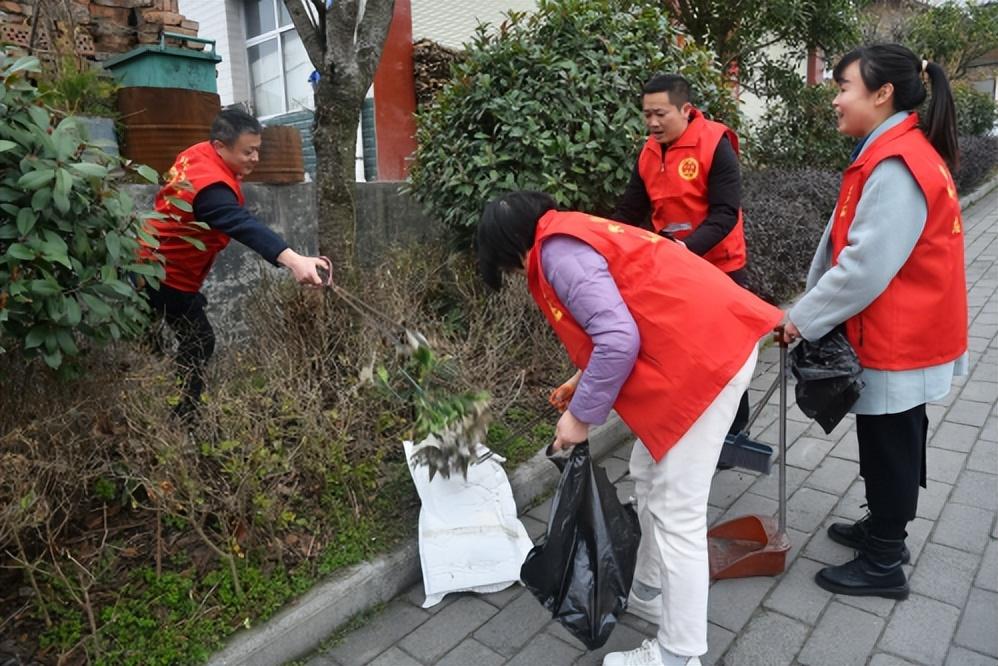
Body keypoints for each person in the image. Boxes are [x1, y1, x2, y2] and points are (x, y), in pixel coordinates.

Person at [477, 191, 782, 666]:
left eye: (509, 266)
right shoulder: (570, 230)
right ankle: (647, 589)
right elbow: (628, 308)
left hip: (704, 364)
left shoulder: (556, 254)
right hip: (708, 345)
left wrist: (580, 420)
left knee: (676, 512)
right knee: (646, 469)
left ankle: (678, 654)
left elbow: (618, 338)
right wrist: (582, 381)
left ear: (512, 247)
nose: (517, 275)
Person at [782, 44, 967, 600]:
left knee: (891, 441)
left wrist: (802, 320)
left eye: (843, 87)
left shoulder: (897, 163)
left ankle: (885, 559)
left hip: (897, 334)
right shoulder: (892, 151)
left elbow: (864, 268)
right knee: (891, 435)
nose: (836, 99)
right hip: (902, 329)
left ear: (882, 93)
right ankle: (883, 529)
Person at [141, 108, 328, 419]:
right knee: (200, 340)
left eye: (257, 150)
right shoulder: (211, 188)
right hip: (168, 272)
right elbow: (241, 224)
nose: (255, 158)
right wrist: (294, 261)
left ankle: (163, 398)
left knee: (169, 333)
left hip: (152, 261)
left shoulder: (197, 155)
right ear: (219, 146)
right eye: (247, 151)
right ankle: (184, 415)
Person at [610, 73, 751, 435]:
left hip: (719, 265)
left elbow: (724, 213)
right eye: (646, 115)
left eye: (661, 114)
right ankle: (691, 423)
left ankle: (735, 431)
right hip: (673, 266)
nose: (653, 123)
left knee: (727, 353)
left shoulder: (714, 143)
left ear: (685, 109)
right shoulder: (648, 152)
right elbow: (630, 210)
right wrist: (603, 241)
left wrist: (685, 249)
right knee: (682, 350)